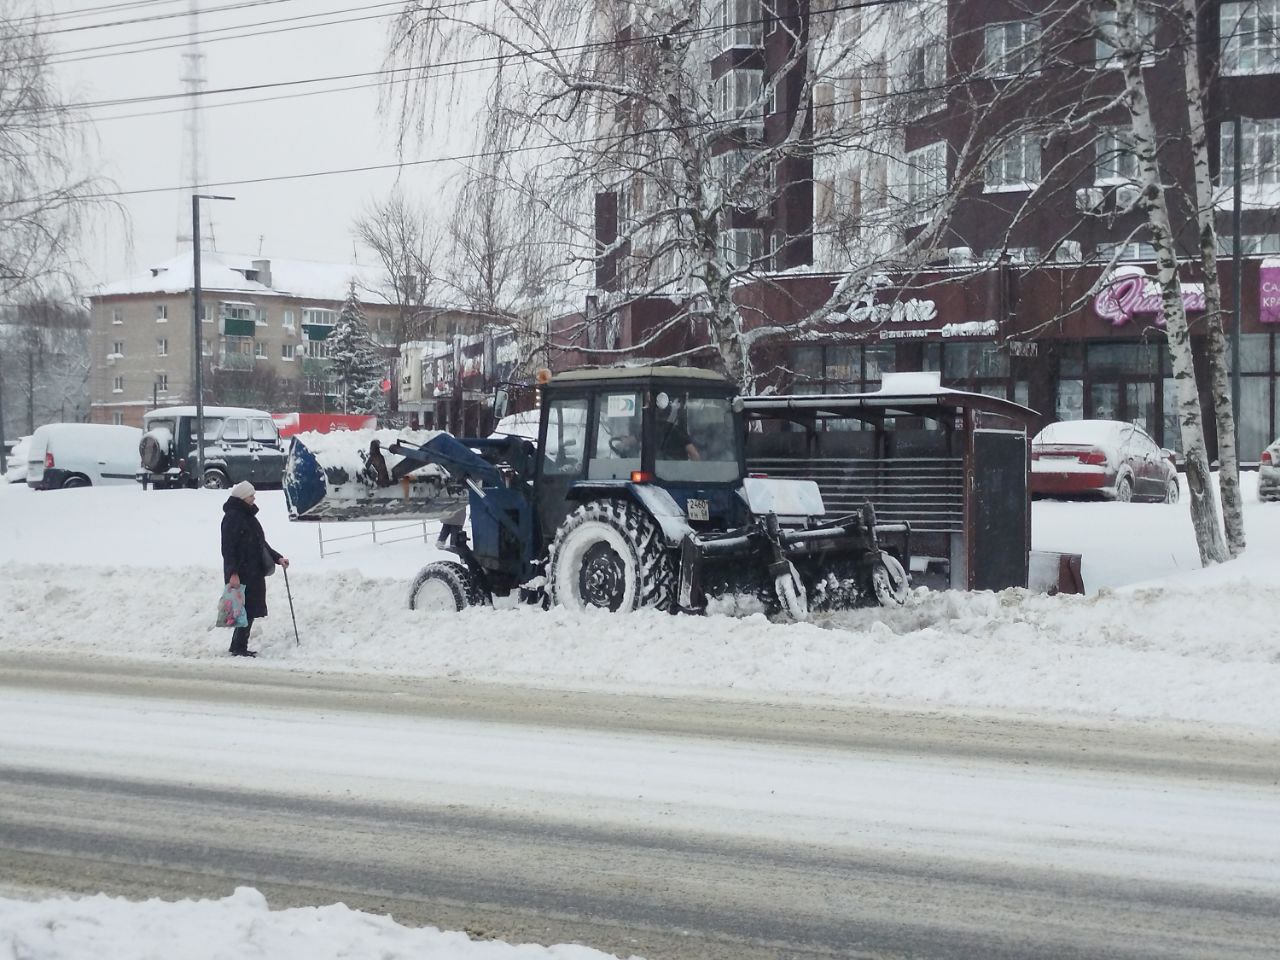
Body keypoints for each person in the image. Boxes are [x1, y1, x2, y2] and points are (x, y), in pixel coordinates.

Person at [221, 480, 288, 657]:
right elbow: (228, 548)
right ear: (243, 496)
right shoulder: (232, 517)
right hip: (242, 571)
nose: (254, 498)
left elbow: (261, 543)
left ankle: (237, 645)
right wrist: (232, 573)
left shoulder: (248, 516)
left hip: (252, 570)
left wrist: (277, 557)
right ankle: (239, 647)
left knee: (247, 609)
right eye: (251, 495)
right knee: (244, 609)